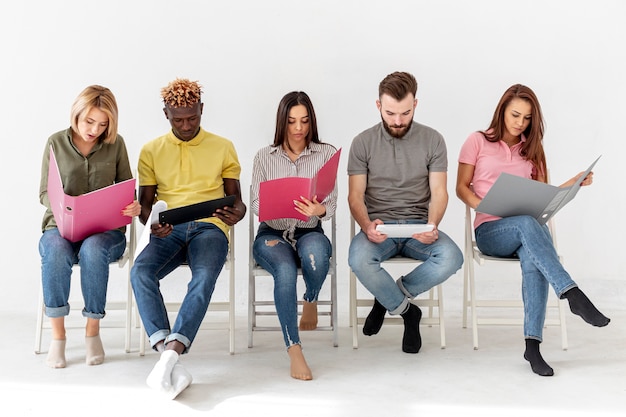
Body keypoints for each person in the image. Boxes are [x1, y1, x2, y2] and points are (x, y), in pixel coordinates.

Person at [456, 83, 610, 377]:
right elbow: (461, 188)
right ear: (502, 110)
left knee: (532, 250)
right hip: (491, 231)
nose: (519, 123)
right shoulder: (476, 141)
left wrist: (574, 182)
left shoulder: (533, 150)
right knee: (529, 225)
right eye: (515, 115)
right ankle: (572, 294)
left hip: (527, 231)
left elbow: (544, 197)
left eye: (527, 118)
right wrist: (486, 205)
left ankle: (533, 346)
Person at [131, 78, 246, 399]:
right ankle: (168, 356)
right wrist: (152, 223)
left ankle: (172, 350)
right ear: (165, 113)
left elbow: (235, 199)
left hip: (210, 227)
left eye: (193, 117)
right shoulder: (151, 150)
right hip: (169, 227)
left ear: (202, 110)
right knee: (140, 272)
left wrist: (239, 212)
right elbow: (145, 205)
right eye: (178, 118)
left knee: (205, 275)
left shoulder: (222, 146)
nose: (186, 125)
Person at [347, 71, 463, 354]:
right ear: (378, 106)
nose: (397, 121)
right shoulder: (362, 143)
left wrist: (431, 224)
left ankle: (388, 297)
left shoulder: (433, 140)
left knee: (452, 257)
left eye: (405, 113)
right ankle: (408, 311)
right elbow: (355, 195)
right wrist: (366, 225)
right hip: (378, 227)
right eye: (390, 113)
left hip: (418, 225)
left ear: (415, 105)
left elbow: (439, 192)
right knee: (358, 259)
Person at [38, 85, 141, 369]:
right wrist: (63, 206)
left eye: (103, 124)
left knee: (94, 250)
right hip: (61, 228)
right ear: (77, 114)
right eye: (89, 121)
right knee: (56, 251)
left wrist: (133, 206)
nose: (94, 129)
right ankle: (58, 337)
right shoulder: (55, 143)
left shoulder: (116, 144)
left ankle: (92, 332)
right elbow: (44, 193)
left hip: (105, 233)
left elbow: (126, 190)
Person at [251, 91, 338, 381]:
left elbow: (333, 202)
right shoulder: (265, 156)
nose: (298, 128)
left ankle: (310, 299)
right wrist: (274, 204)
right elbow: (254, 202)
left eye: (304, 121)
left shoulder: (325, 153)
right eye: (291, 122)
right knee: (285, 271)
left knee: (316, 257)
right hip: (272, 234)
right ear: (282, 123)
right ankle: (294, 349)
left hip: (309, 229)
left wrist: (319, 208)